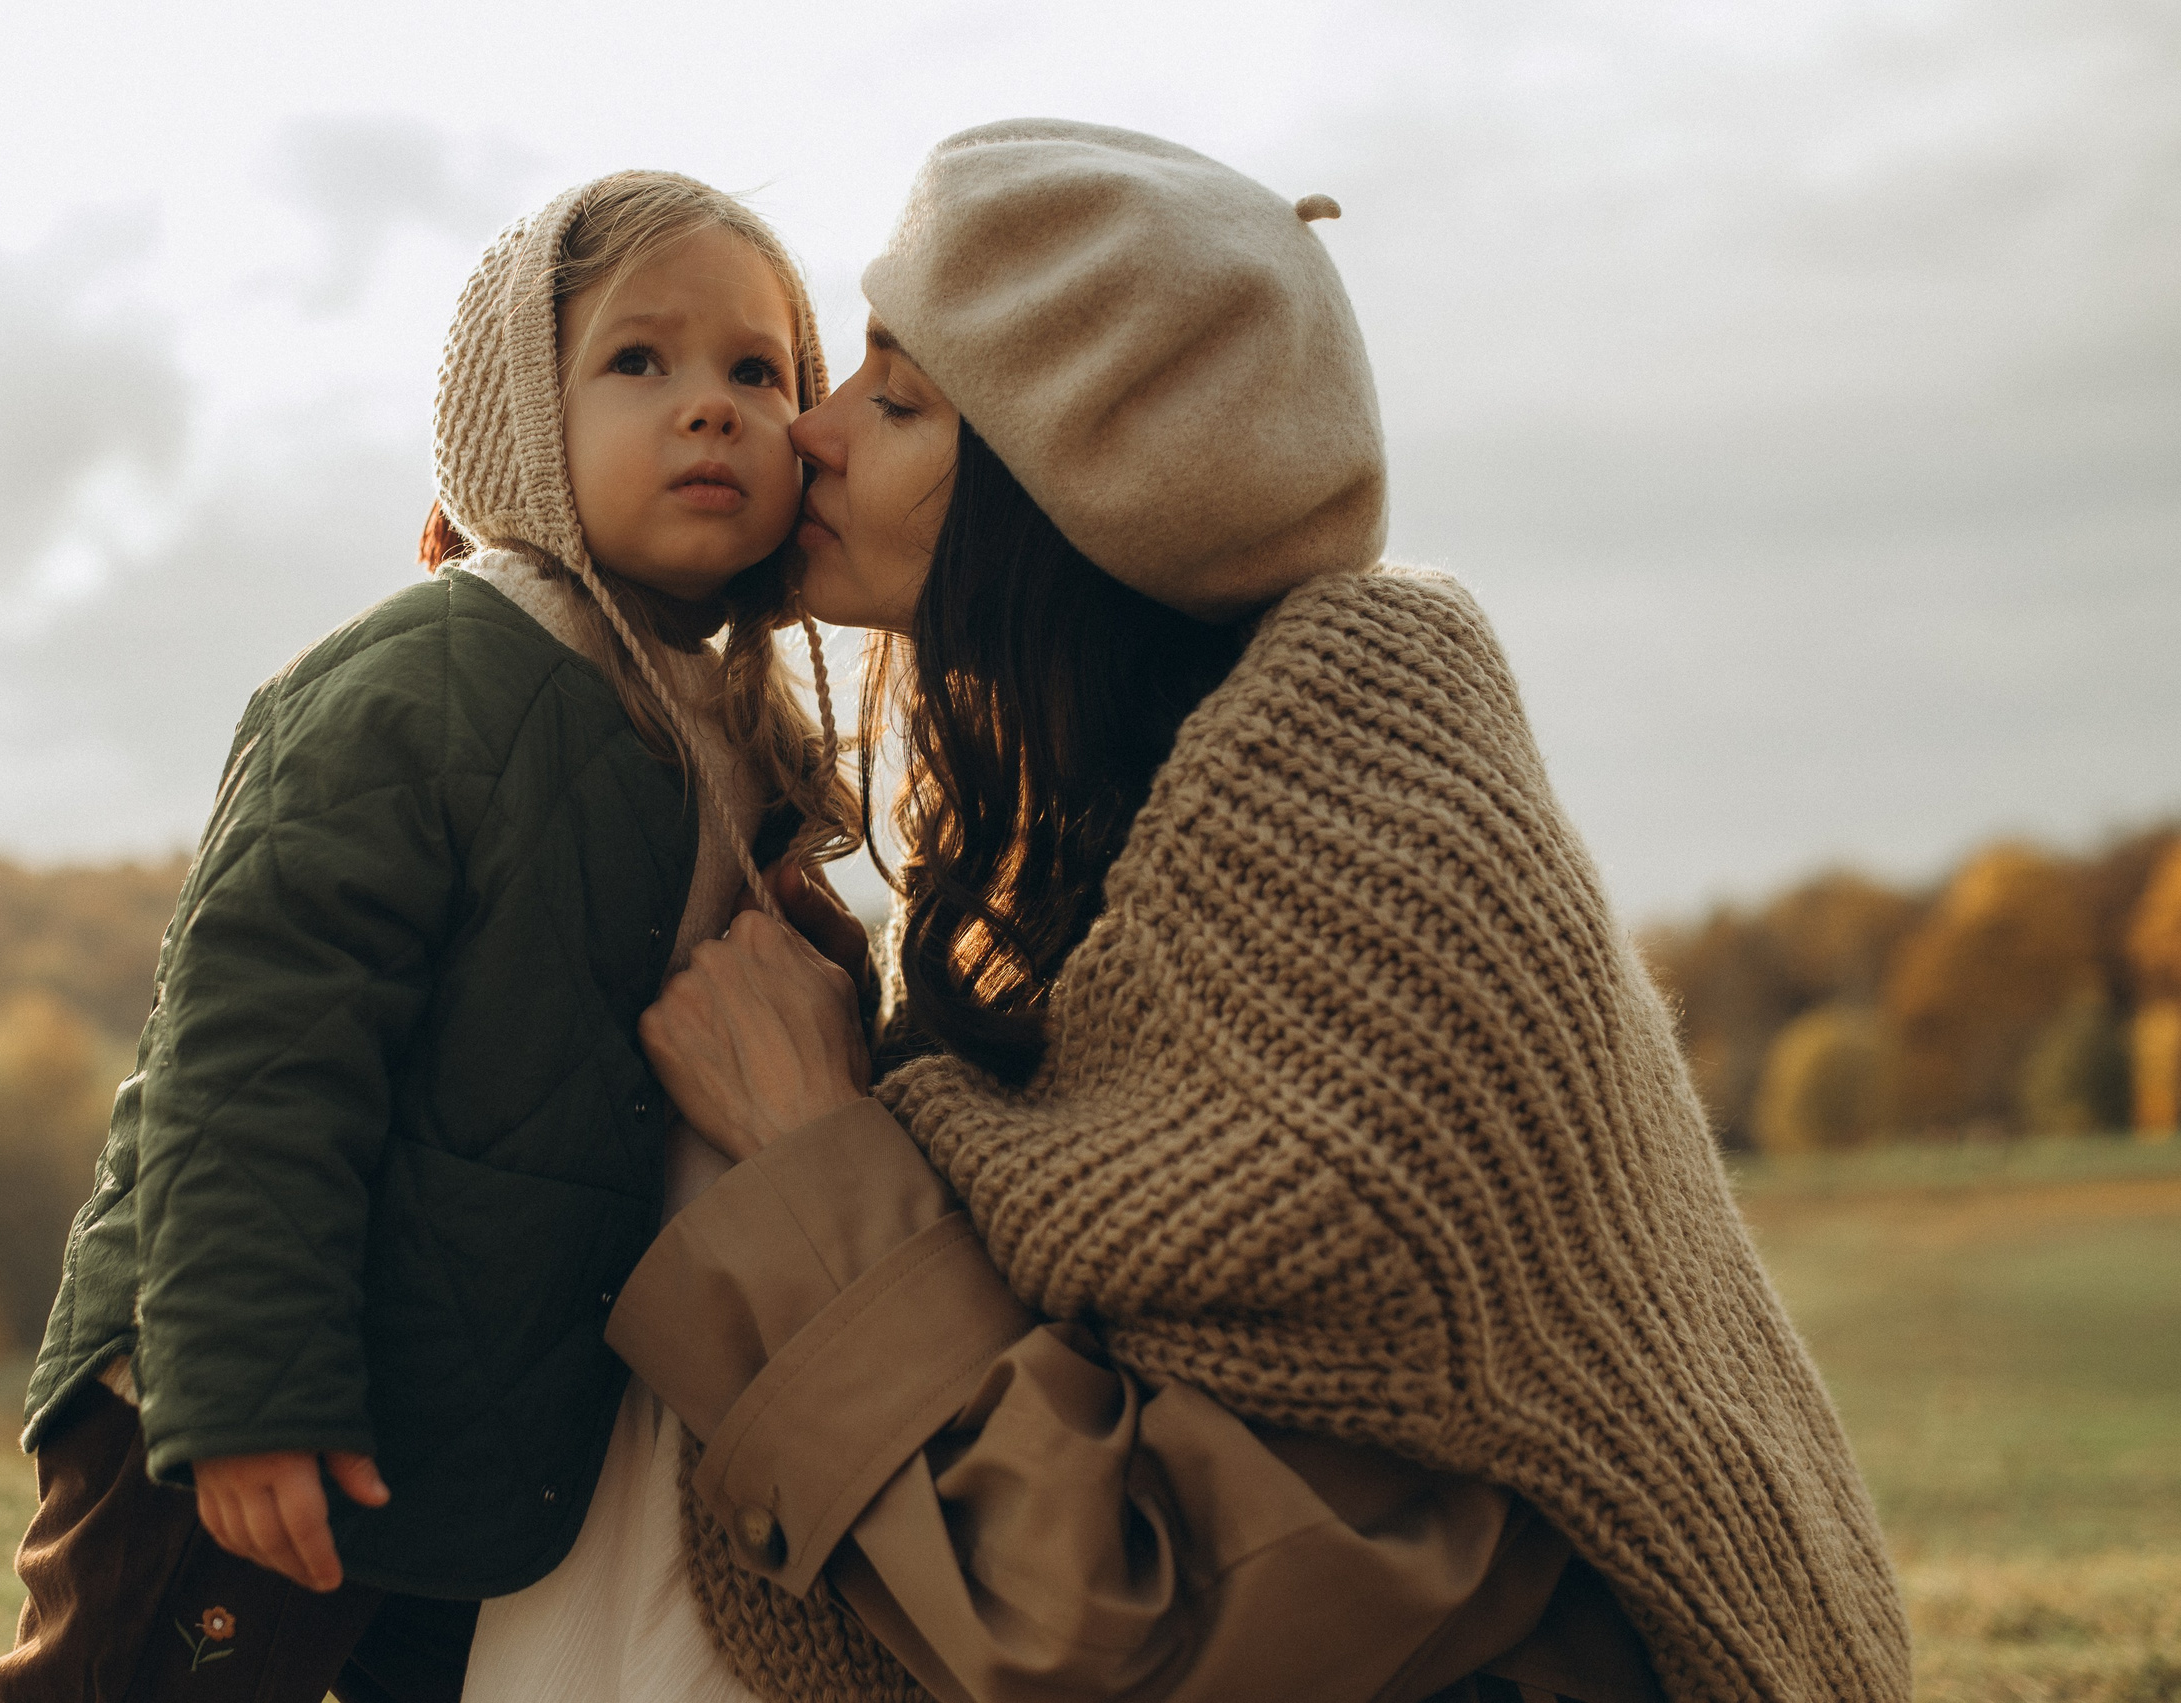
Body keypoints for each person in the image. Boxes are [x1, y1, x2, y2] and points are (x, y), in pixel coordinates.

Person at [614, 121, 1913, 1703]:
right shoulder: (1094, 853)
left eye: (897, 400)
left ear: (1068, 508)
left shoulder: (1378, 900)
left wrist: (816, 1150)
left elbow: (1123, 1629)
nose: (808, 433)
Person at [0, 170, 858, 1703]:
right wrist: (244, 1388)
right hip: (246, 1383)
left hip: (475, 1430)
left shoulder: (738, 742)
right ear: (519, 418)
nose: (710, 405)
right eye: (638, 360)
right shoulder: (422, 683)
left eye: (758, 372)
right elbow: (253, 1067)